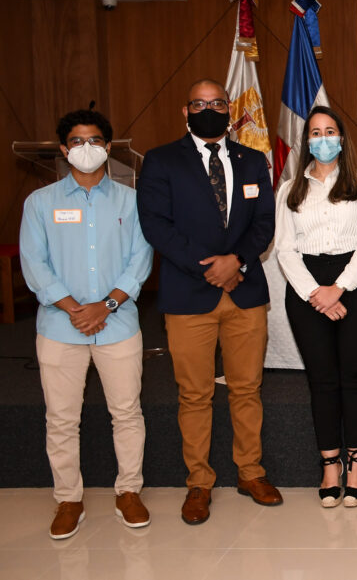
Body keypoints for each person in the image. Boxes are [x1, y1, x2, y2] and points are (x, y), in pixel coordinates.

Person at [137, 78, 280, 524]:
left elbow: (264, 223)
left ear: (229, 109)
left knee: (247, 389)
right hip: (188, 294)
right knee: (194, 394)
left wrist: (235, 261)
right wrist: (209, 268)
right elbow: (156, 227)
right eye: (199, 104)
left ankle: (250, 472)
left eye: (217, 103)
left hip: (245, 292)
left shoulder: (254, 160)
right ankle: (199, 483)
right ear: (185, 111)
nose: (209, 109)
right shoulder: (161, 161)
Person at [19, 109, 153, 539]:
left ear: (108, 148)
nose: (86, 149)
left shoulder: (132, 200)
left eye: (94, 140)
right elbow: (34, 264)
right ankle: (68, 499)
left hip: (118, 324)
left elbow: (141, 258)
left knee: (127, 412)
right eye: (76, 141)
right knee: (61, 418)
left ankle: (129, 491)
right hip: (61, 326)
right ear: (63, 149)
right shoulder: (40, 203)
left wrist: (107, 305)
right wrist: (78, 308)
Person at [273, 106, 357, 508]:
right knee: (322, 379)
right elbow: (284, 250)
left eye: (330, 131)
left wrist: (339, 288)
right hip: (306, 288)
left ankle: (356, 463)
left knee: (354, 376)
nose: (322, 138)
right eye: (315, 132)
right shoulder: (289, 190)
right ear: (306, 142)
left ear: (342, 138)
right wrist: (314, 293)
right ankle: (330, 464)